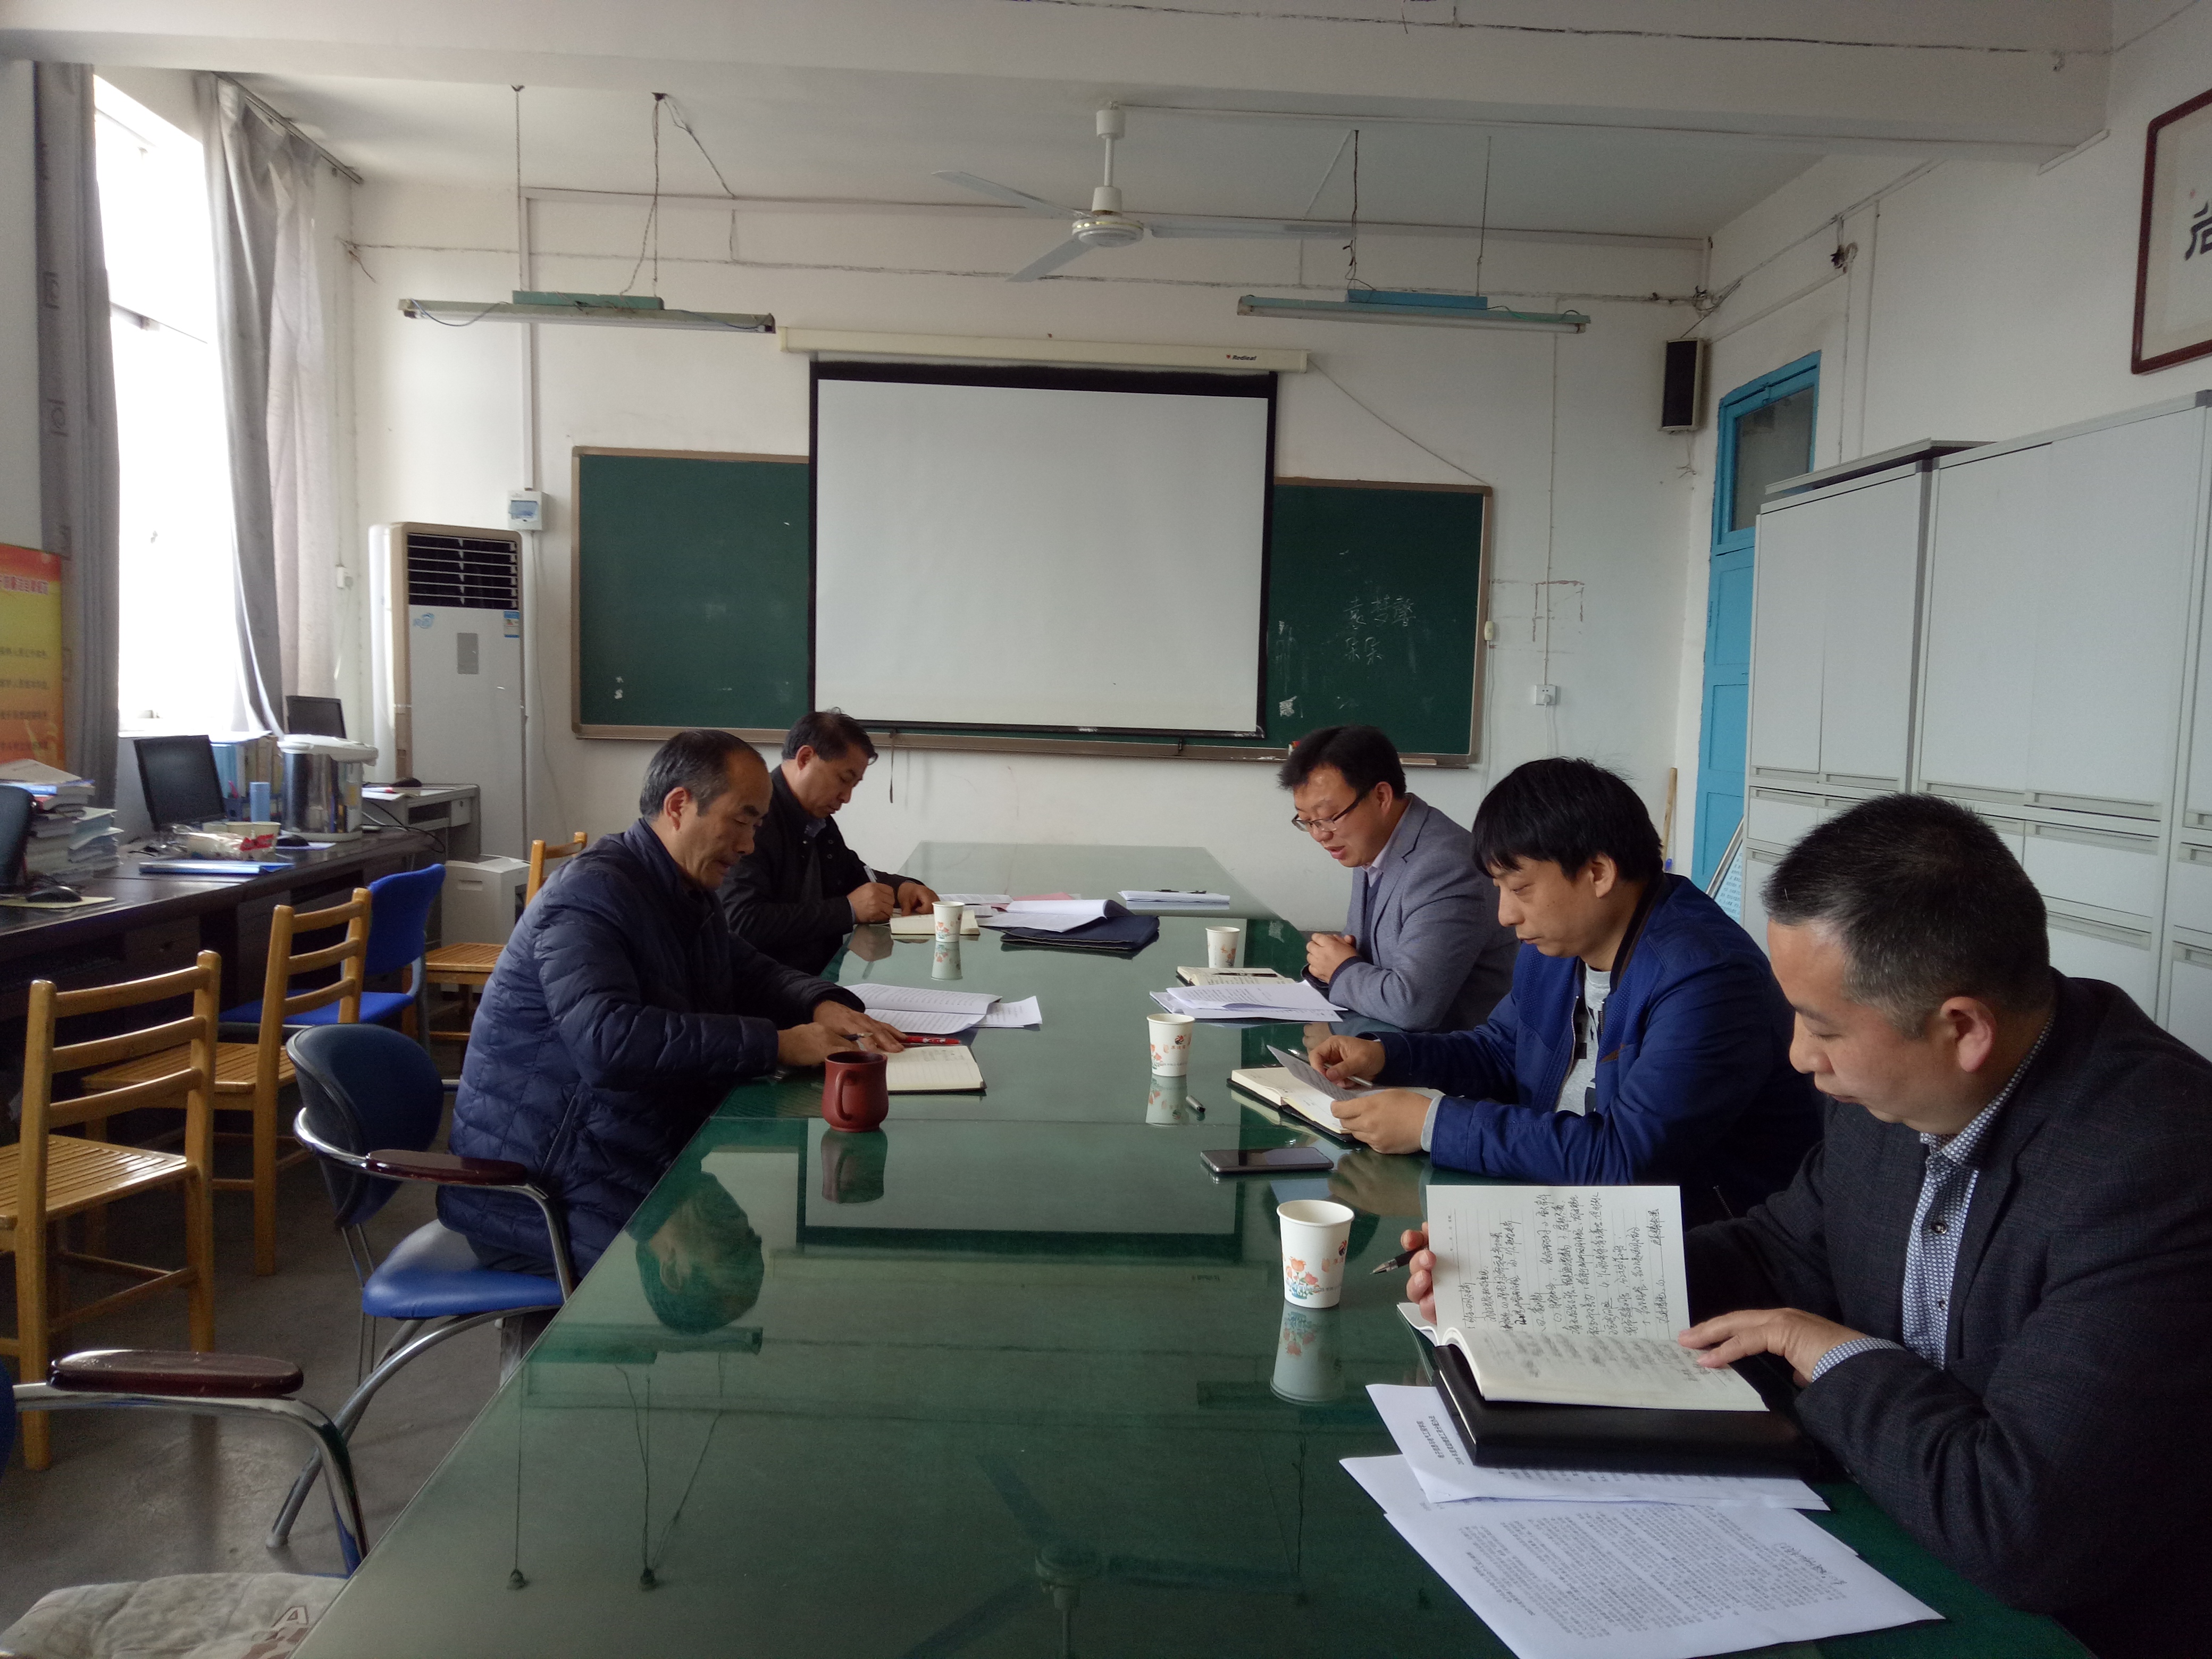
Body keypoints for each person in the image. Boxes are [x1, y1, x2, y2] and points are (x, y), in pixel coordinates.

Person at [1407, 794, 2212, 1658]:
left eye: (1822, 1027)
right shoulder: (1891, 1083)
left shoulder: (2156, 1165)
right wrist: (1537, 1279)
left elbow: (2021, 1526)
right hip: (1885, 1525)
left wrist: (1823, 1351)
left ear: (1963, 1029)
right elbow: (1783, 1248)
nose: (1798, 1056)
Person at [442, 730, 907, 1277]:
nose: (749, 846)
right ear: (679, 806)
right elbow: (608, 1044)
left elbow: (745, 968)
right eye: (741, 821)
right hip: (540, 1186)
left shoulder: (680, 888)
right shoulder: (588, 896)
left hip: (621, 1149)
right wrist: (776, 1045)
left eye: (757, 826)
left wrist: (820, 1003)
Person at [1312, 757, 1818, 1221]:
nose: (1506, 915)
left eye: (1520, 888)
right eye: (1499, 889)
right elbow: (1501, 1051)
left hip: (1692, 1241)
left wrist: (1434, 1125)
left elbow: (1626, 1159)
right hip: (1568, 1204)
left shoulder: (1707, 979)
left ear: (1598, 873)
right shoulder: (1558, 945)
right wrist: (1386, 1056)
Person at [1279, 725, 1517, 1032]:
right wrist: (1329, 965)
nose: (1320, 835)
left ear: (1381, 796)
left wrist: (1339, 969)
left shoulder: (1445, 867)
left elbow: (1412, 1006)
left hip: (1446, 1052)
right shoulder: (1372, 843)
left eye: (1328, 817)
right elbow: (1360, 955)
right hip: (1382, 1039)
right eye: (1307, 821)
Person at [720, 710, 937, 976]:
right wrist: (848, 910)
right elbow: (742, 921)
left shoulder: (815, 816)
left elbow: (851, 874)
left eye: (854, 785)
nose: (846, 797)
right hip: (767, 984)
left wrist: (902, 888)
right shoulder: (755, 819)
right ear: (805, 758)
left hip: (814, 979)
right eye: (843, 780)